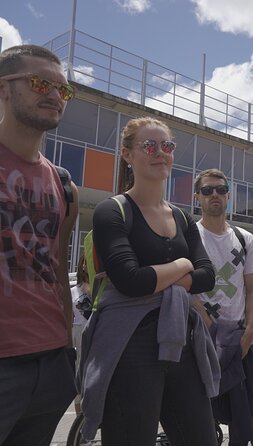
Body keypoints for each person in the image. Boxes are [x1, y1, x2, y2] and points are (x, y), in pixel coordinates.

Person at [79, 116, 220, 445]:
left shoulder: (183, 217)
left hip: (181, 340)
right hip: (130, 345)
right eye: (150, 146)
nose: (161, 153)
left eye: (167, 146)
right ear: (127, 154)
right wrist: (182, 264)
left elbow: (208, 276)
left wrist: (163, 277)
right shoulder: (112, 211)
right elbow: (130, 281)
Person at [0, 44, 80, 446]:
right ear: (3, 90)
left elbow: (57, 272)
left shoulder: (65, 184)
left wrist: (66, 349)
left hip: (50, 362)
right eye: (39, 83)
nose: (54, 95)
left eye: (62, 90)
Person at [192, 168, 253, 446]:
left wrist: (246, 336)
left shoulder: (245, 239)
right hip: (200, 342)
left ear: (228, 196)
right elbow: (184, 288)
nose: (214, 195)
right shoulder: (189, 237)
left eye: (220, 190)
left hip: (243, 343)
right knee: (199, 419)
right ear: (198, 197)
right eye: (207, 191)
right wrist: (209, 325)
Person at [71, 256, 91, 414]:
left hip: (95, 336)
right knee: (80, 375)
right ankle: (79, 419)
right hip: (78, 336)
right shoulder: (73, 291)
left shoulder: (99, 290)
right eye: (83, 264)